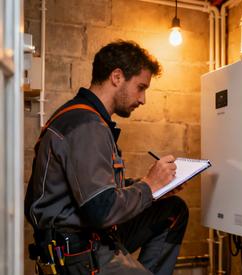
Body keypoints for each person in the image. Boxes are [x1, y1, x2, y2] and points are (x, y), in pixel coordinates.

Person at [24, 41, 189, 275]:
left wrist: (156, 185)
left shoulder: (86, 118)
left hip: (93, 235)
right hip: (78, 254)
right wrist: (149, 186)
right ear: (117, 77)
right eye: (141, 87)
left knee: (173, 209)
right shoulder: (86, 125)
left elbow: (97, 191)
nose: (143, 99)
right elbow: (100, 210)